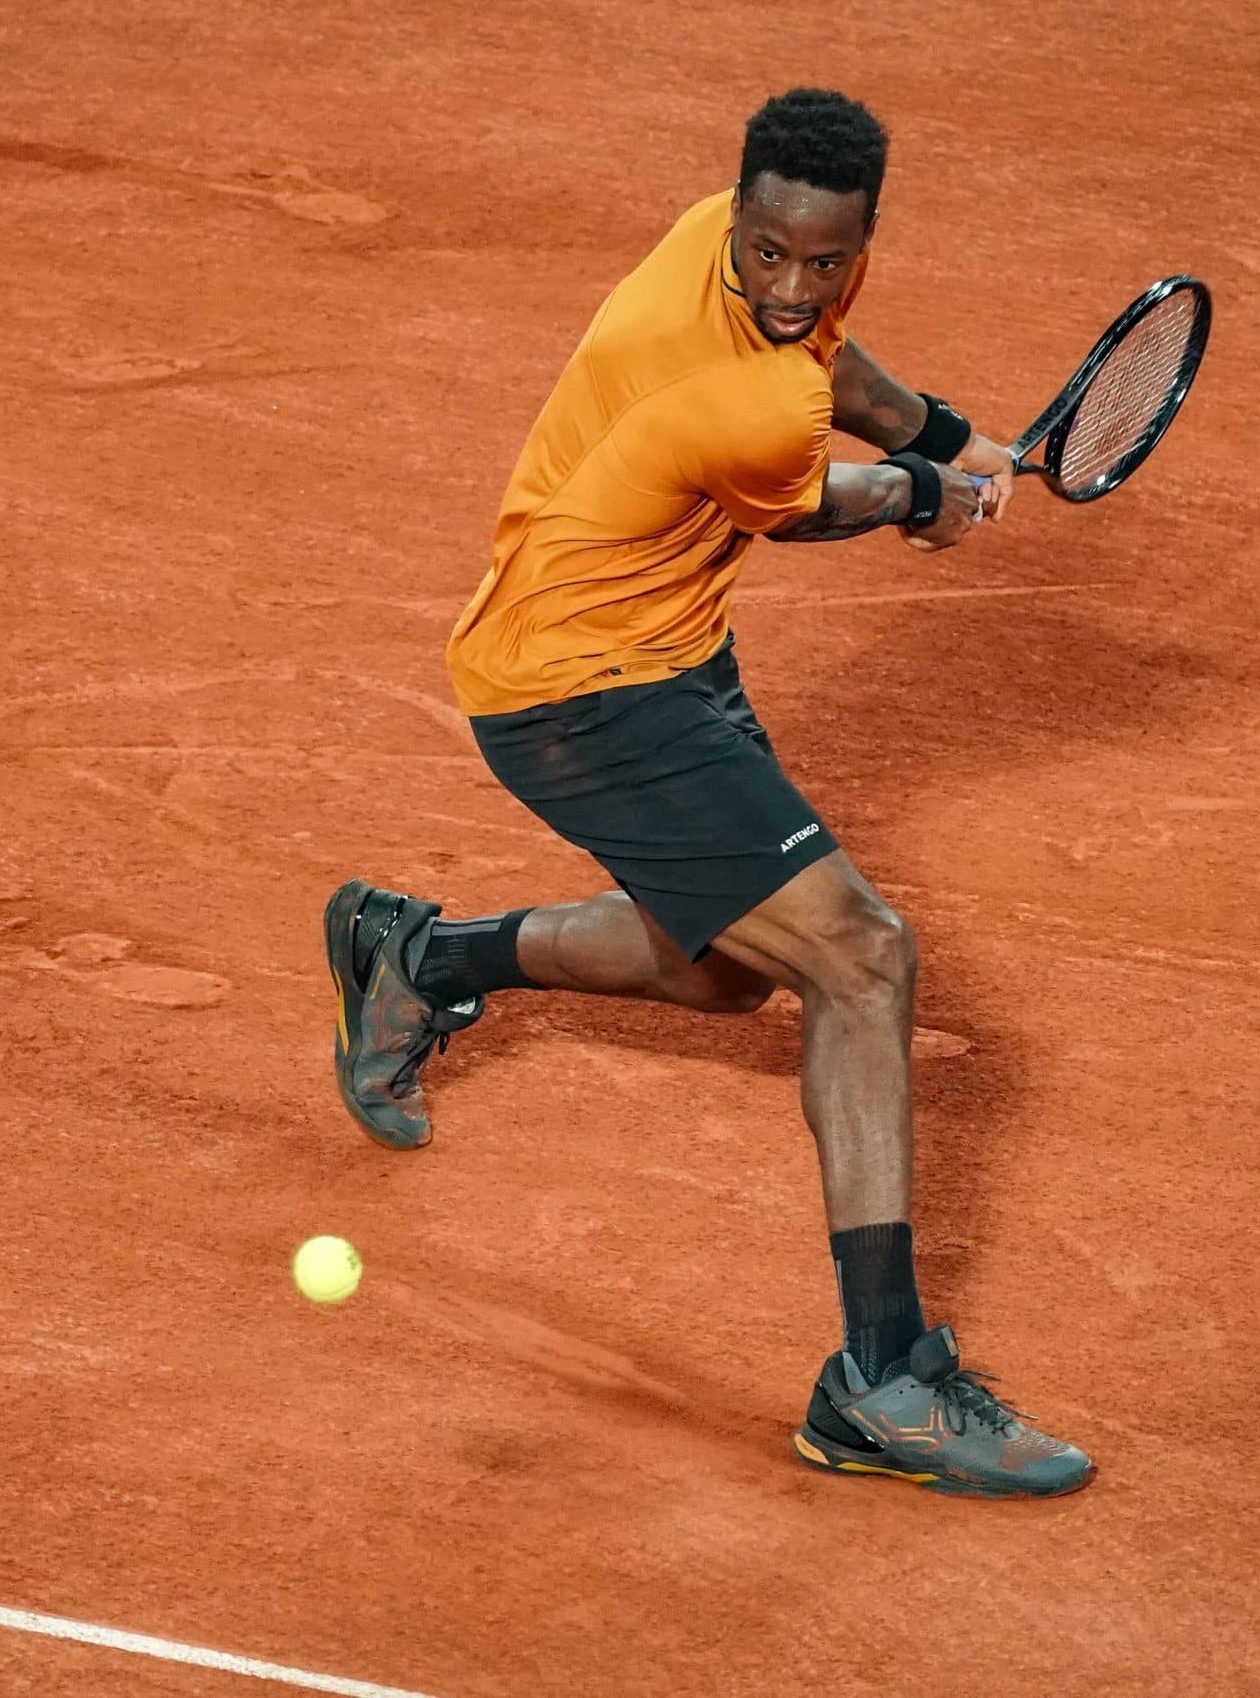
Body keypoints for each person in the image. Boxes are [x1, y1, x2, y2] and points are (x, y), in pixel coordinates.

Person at [324, 88, 1090, 1498]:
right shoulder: (735, 393)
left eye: (825, 260)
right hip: (578, 693)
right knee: (863, 960)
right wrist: (930, 497)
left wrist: (955, 433)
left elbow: (839, 377)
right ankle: (882, 1378)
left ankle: (416, 956)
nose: (794, 286)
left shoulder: (718, 248)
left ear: (853, 238)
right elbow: (810, 496)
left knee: (731, 978)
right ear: (738, 221)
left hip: (665, 646)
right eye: (771, 258)